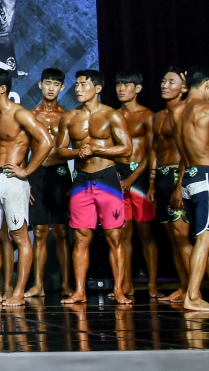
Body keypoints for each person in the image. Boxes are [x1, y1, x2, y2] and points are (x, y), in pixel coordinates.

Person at [0, 68, 51, 307]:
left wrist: (27, 171)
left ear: (2, 89)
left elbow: (46, 141)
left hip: (12, 180)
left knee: (19, 236)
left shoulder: (20, 114)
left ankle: (17, 293)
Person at [57, 70, 132, 306]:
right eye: (77, 85)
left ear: (98, 88)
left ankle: (119, 290)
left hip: (107, 178)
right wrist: (76, 152)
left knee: (114, 237)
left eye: (83, 85)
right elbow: (60, 150)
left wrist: (98, 150)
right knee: (81, 237)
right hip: (81, 180)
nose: (78, 89)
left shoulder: (112, 115)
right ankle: (79, 291)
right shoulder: (69, 117)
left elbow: (126, 148)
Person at [24, 68, 71, 298]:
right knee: (40, 231)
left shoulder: (67, 116)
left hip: (60, 173)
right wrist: (24, 181)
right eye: (48, 83)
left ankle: (66, 284)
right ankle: (38, 285)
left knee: (62, 231)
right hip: (37, 173)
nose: (51, 88)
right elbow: (22, 148)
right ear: (40, 85)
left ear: (62, 87)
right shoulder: (31, 115)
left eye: (56, 84)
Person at [174, 66, 209, 311]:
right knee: (206, 237)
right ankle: (192, 296)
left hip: (188, 178)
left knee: (207, 241)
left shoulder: (177, 112)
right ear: (208, 83)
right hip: (208, 176)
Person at [114, 71, 158, 299]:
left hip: (138, 177)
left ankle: (152, 285)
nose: (121, 89)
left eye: (127, 85)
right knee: (124, 233)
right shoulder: (113, 116)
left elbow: (151, 153)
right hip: (118, 176)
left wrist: (133, 179)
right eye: (118, 85)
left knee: (145, 233)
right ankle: (126, 284)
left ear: (138, 88)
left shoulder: (147, 116)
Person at [153, 67, 191, 303]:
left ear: (184, 88)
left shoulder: (185, 112)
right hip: (162, 177)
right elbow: (155, 151)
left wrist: (180, 187)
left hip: (178, 175)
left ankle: (193, 290)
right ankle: (183, 287)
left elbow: (187, 151)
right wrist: (152, 184)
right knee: (173, 240)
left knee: (182, 237)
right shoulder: (158, 116)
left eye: (171, 82)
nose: (164, 85)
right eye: (163, 81)